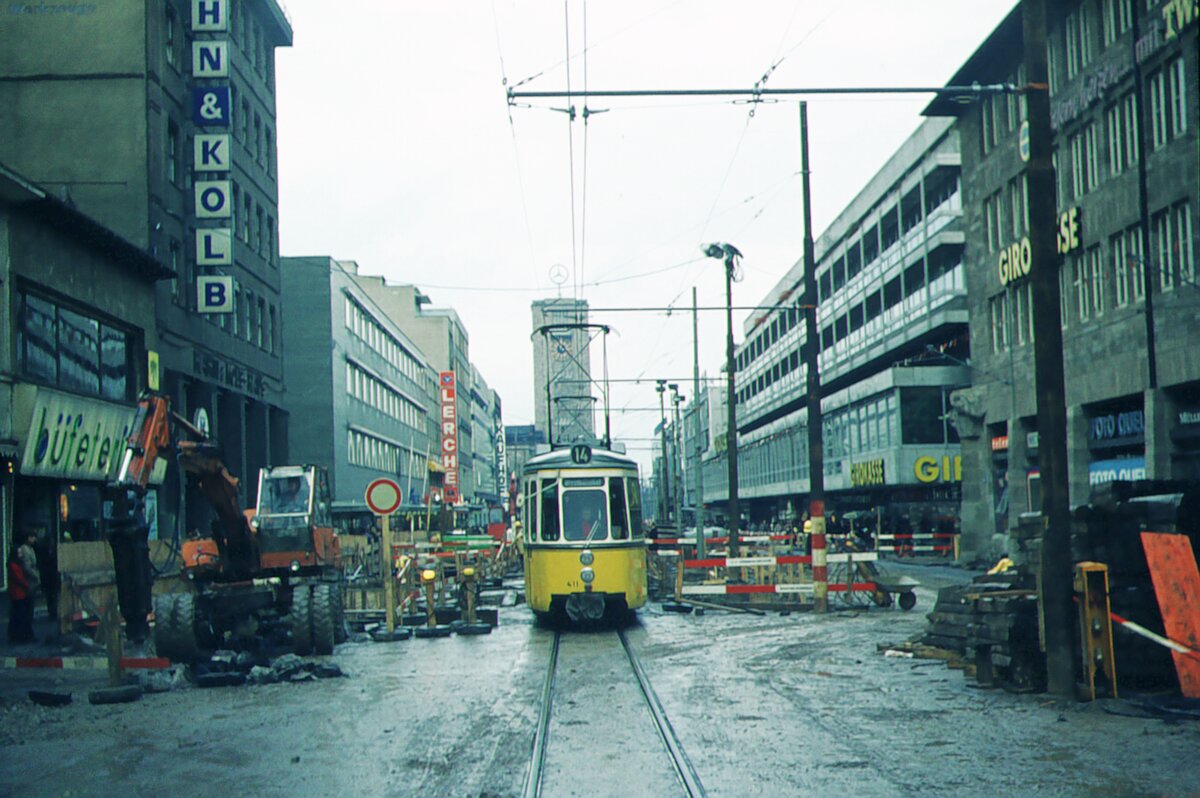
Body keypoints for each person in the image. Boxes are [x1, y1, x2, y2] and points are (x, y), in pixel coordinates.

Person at [7, 531, 40, 644]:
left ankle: (19, 635)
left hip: (20, 591)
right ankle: (22, 635)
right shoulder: (14, 565)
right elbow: (20, 577)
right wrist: (31, 582)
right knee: (22, 614)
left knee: (19, 614)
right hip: (19, 592)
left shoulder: (17, 562)